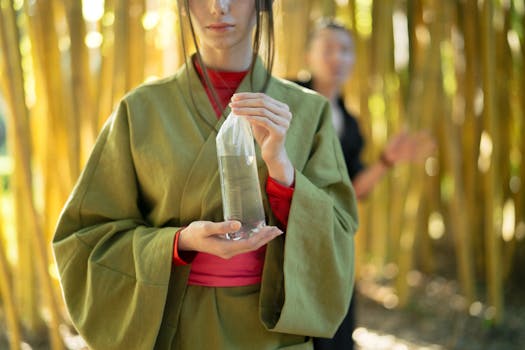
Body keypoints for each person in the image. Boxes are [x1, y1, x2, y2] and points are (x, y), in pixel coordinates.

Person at [52, 2, 358, 349]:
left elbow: (339, 235)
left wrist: (282, 170)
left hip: (269, 334)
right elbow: (84, 237)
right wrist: (179, 244)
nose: (219, 7)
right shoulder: (139, 110)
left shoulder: (308, 110)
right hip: (177, 326)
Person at [300, 19, 436, 350]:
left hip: (331, 243)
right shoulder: (286, 98)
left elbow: (354, 190)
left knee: (336, 333)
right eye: (328, 49)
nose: (337, 58)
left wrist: (387, 161)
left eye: (345, 50)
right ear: (309, 56)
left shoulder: (350, 123)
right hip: (287, 240)